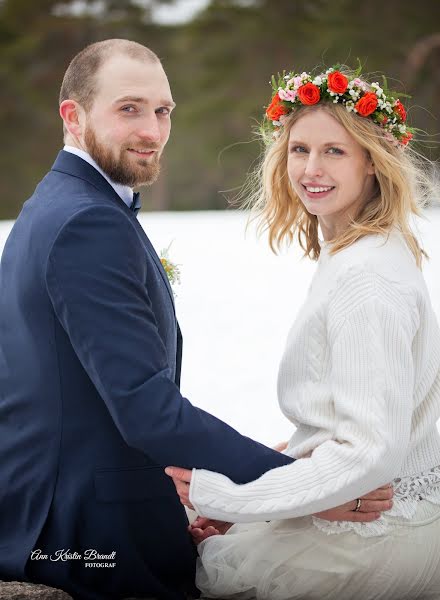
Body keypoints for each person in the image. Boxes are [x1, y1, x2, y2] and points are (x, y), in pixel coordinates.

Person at [0, 43, 390, 600]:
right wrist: (305, 489)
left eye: (163, 111)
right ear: (73, 115)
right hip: (91, 539)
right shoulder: (88, 222)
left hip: (60, 509)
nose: (152, 131)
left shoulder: (55, 204)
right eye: (129, 109)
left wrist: (218, 496)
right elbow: (149, 412)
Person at [166, 65, 440, 600]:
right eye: (300, 149)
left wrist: (226, 496)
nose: (311, 168)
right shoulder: (363, 251)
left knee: (198, 574)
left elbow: (368, 452)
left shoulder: (367, 277)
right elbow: (347, 421)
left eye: (335, 151)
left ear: (373, 162)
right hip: (369, 511)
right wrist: (265, 482)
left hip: (375, 532)